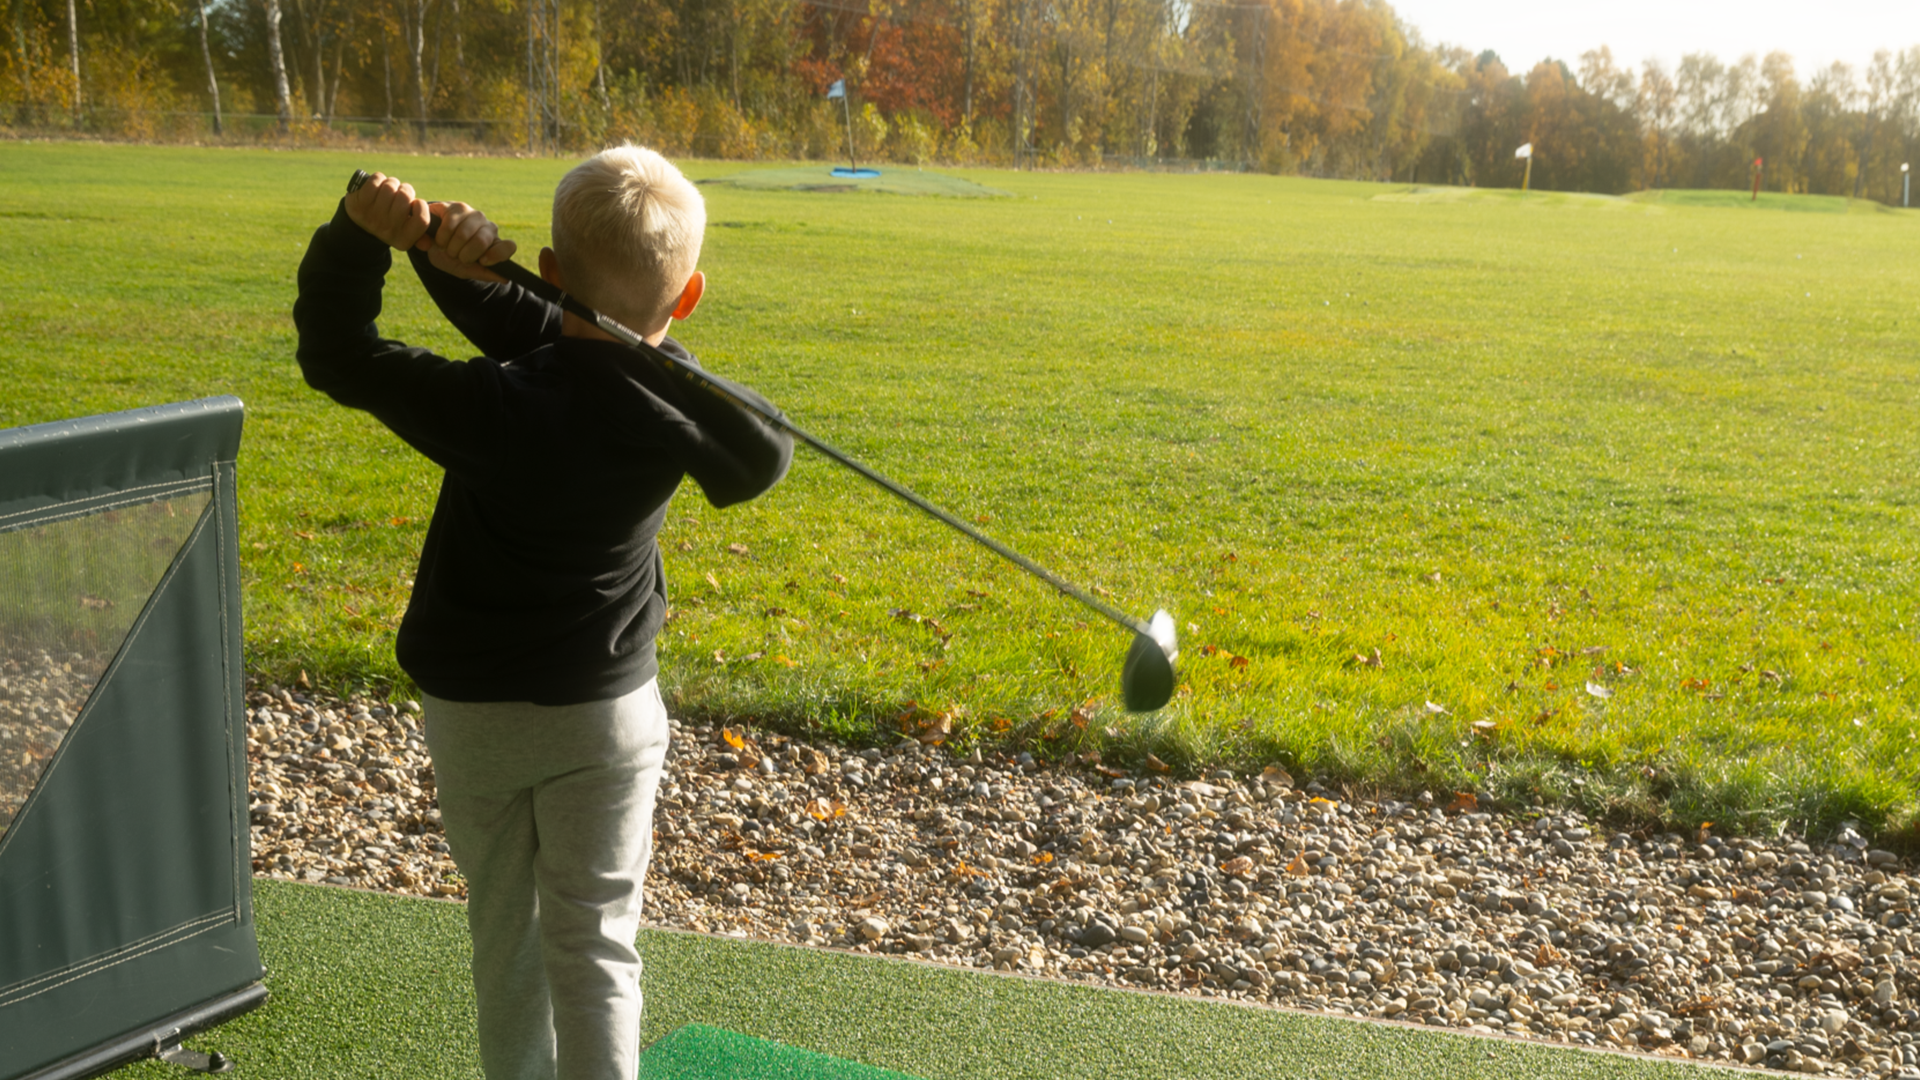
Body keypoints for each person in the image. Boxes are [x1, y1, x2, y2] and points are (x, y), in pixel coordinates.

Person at [293, 144, 793, 1080]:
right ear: (688, 300)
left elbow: (339, 353)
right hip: (608, 719)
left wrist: (363, 240)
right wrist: (454, 268)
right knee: (597, 944)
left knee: (509, 945)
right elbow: (755, 449)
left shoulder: (492, 404)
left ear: (554, 273)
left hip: (479, 718)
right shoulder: (672, 409)